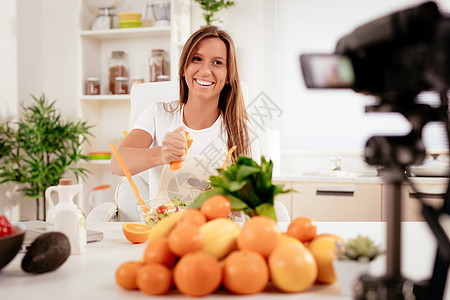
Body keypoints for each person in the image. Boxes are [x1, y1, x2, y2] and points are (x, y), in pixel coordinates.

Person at [110, 25, 260, 205]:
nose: (205, 71)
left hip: (217, 229)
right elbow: (117, 163)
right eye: (197, 59)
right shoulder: (157, 114)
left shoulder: (242, 131)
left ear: (228, 75)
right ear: (183, 68)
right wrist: (161, 154)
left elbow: (252, 205)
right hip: (163, 227)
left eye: (217, 62)